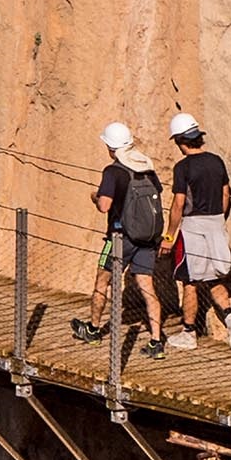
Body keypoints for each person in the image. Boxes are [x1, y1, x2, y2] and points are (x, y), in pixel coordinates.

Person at [80, 126, 172, 359]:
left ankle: (92, 329)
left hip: (120, 237)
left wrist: (95, 196)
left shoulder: (113, 172)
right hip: (147, 239)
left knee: (103, 280)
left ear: (111, 147)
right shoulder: (146, 167)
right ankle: (156, 342)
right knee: (148, 288)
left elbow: (104, 206)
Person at [166, 113, 231, 347]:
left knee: (190, 281)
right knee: (214, 278)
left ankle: (188, 333)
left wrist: (169, 236)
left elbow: (179, 204)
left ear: (179, 141)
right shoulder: (216, 161)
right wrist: (217, 219)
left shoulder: (182, 168)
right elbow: (226, 195)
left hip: (193, 227)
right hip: (216, 223)